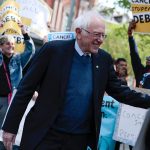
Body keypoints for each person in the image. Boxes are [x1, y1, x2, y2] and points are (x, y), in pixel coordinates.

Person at [2, 10, 150, 150]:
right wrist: (10, 127)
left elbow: (120, 91)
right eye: (97, 34)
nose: (100, 40)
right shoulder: (53, 51)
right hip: (45, 135)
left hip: (79, 141)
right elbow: (25, 89)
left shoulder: (103, 60)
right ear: (79, 32)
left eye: (103, 35)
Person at [114, 58, 133, 150]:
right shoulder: (112, 78)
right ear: (116, 66)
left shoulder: (125, 80)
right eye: (121, 65)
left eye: (125, 66)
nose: (124, 67)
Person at [128, 21, 150, 87]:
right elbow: (135, 55)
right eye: (148, 58)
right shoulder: (140, 71)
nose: (148, 59)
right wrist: (130, 36)